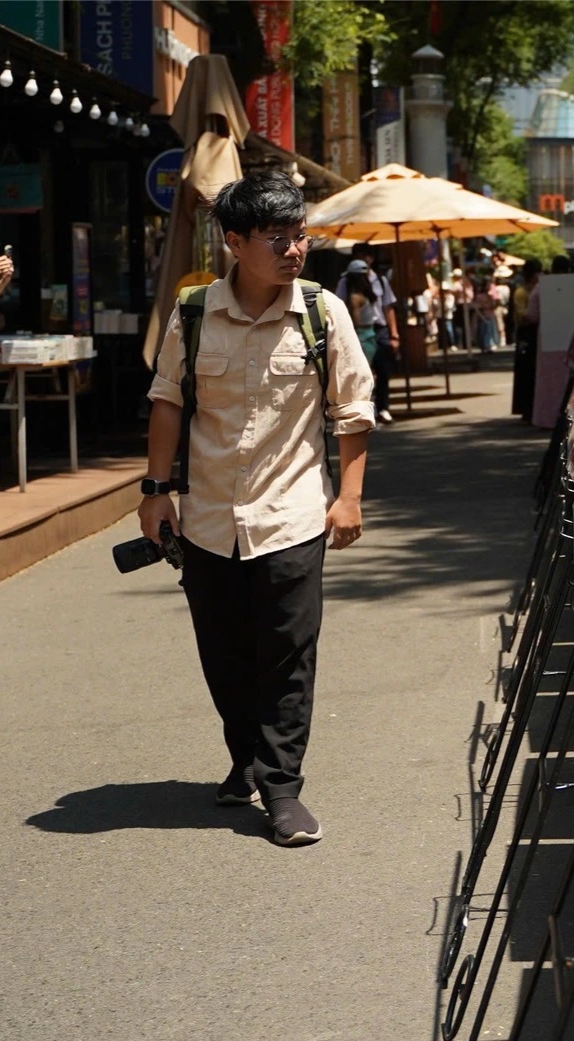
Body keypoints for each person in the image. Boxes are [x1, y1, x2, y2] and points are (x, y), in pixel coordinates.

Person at [140, 170, 376, 847]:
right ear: (235, 242)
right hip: (208, 518)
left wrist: (349, 498)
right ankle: (244, 756)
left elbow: (352, 411)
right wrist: (155, 493)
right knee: (224, 654)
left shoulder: (322, 313)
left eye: (300, 236)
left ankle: (281, 789)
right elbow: (168, 402)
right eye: (278, 238)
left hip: (292, 515)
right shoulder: (193, 313)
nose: (294, 250)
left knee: (287, 657)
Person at [335, 242, 398, 423]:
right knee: (363, 372)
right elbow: (340, 307)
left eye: (365, 256)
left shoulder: (381, 280)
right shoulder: (347, 281)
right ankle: (368, 407)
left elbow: (388, 307)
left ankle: (383, 407)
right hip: (358, 331)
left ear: (371, 258)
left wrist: (394, 334)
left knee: (383, 369)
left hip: (379, 329)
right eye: (359, 256)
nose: (363, 259)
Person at [510, 257, 542, 420]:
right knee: (526, 370)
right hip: (526, 333)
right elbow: (521, 314)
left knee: (532, 370)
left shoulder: (534, 289)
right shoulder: (521, 292)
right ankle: (525, 408)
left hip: (533, 331)